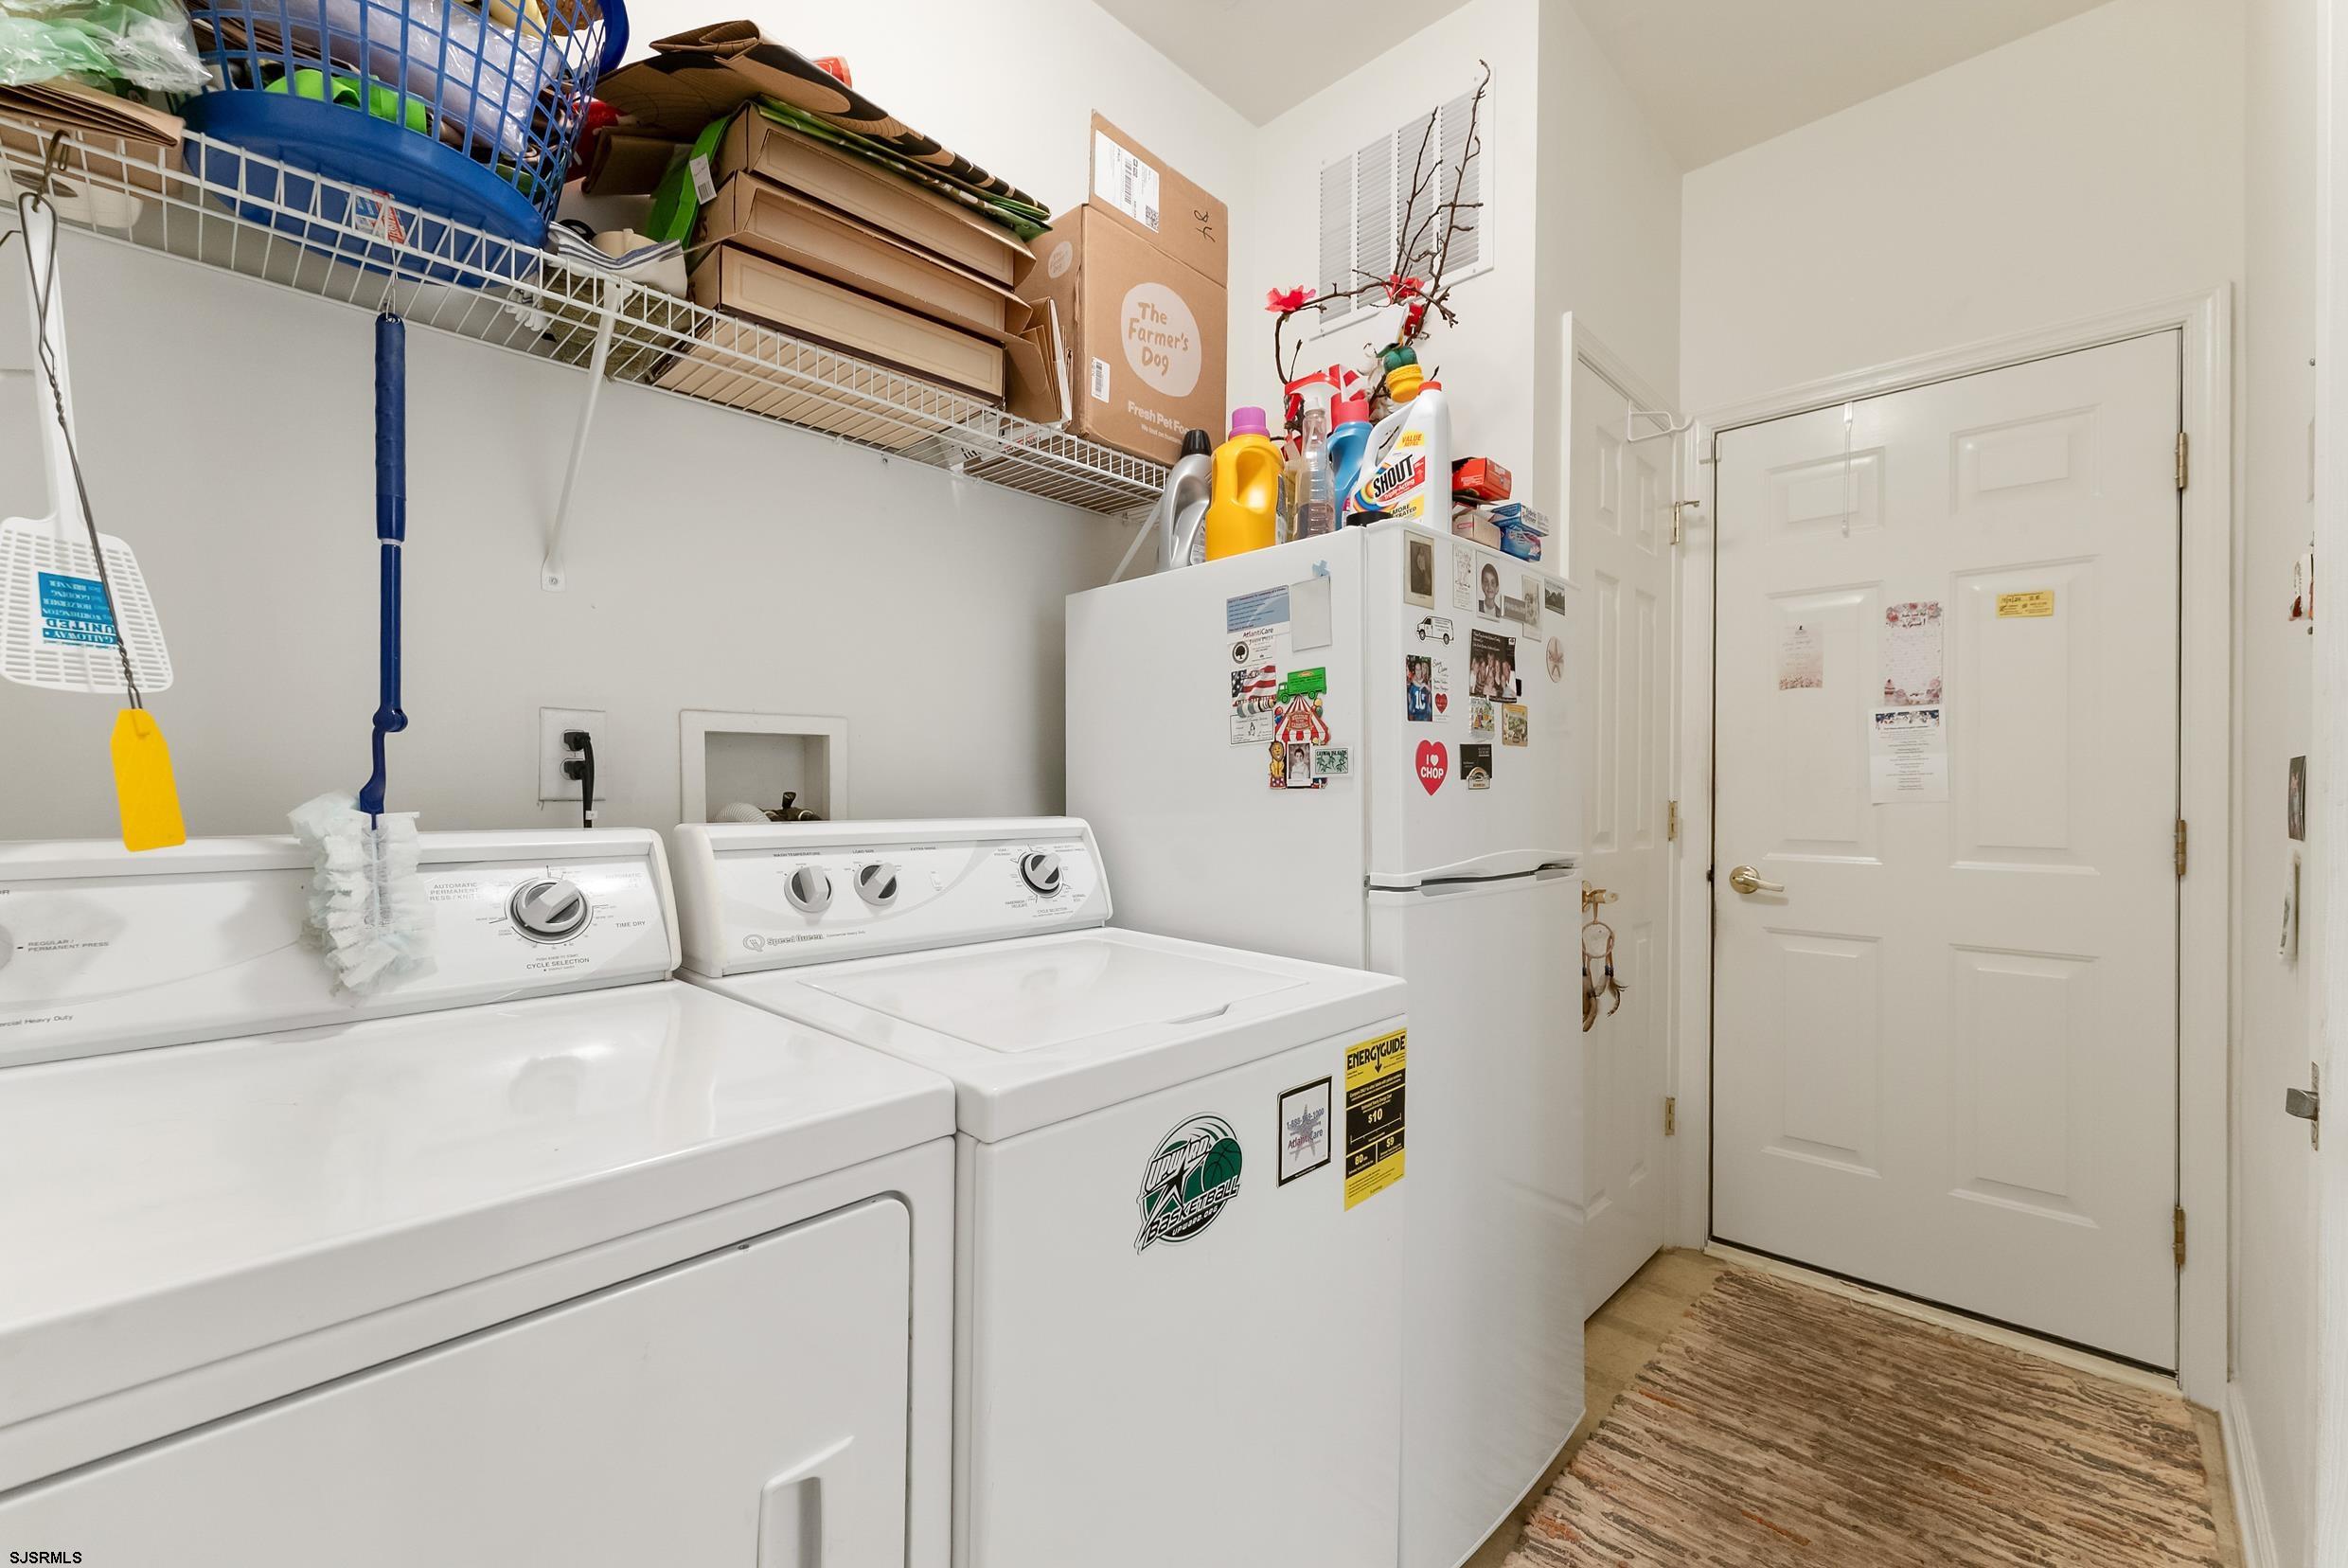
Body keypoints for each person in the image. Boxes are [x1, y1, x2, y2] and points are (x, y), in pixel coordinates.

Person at [1406, 657, 1433, 722]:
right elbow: (1409, 695)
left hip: (1426, 716)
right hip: (1415, 717)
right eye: (1416, 669)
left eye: (1420, 669)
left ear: (1422, 670)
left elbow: (1429, 696)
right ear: (1415, 670)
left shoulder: (1427, 681)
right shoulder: (1412, 682)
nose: (1418, 672)